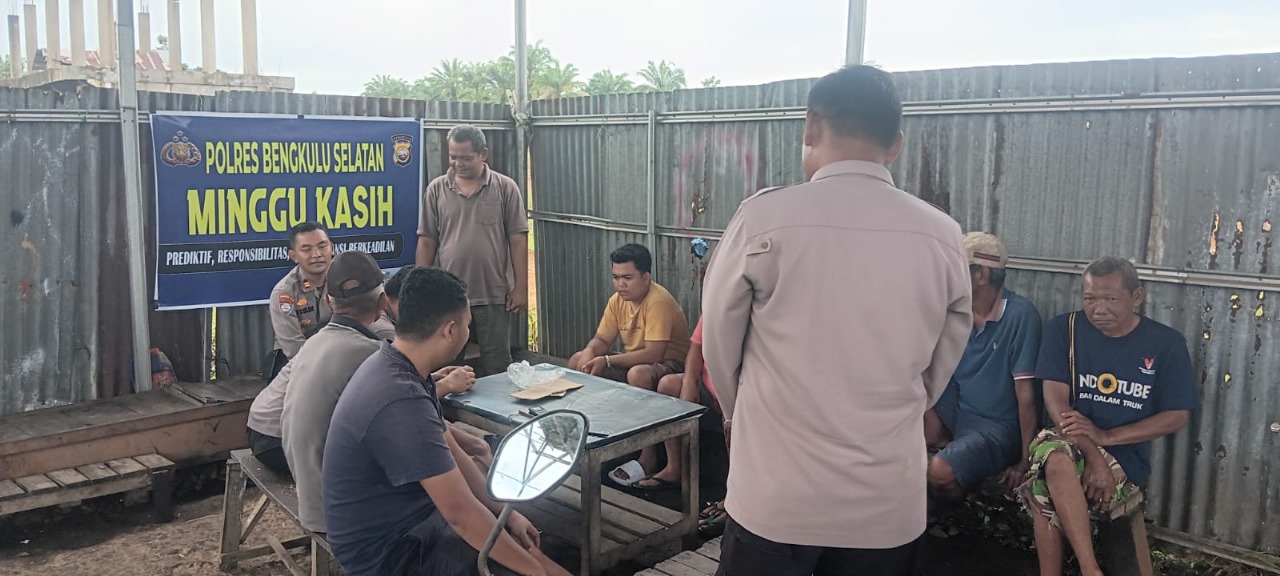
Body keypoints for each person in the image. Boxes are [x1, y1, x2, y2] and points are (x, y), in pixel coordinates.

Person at [701, 64, 972, 576]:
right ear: (895, 145)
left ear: (810, 126)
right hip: (886, 506)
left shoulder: (763, 219)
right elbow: (943, 359)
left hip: (776, 498)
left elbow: (719, 342)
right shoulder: (942, 235)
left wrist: (742, 415)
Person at [323, 267, 569, 576]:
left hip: (413, 521)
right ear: (450, 331)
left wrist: (509, 515)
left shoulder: (402, 367)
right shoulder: (401, 400)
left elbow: (456, 457)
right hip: (387, 553)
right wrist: (534, 572)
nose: (468, 332)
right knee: (524, 565)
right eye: (468, 324)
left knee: (525, 548)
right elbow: (461, 515)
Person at [1017, 257, 1198, 576]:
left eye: (1111, 299)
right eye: (1090, 299)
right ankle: (1090, 569)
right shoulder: (1065, 330)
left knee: (1045, 480)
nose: (1098, 309)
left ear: (1137, 296)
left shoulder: (1165, 343)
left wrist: (1107, 438)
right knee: (1055, 457)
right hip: (1067, 438)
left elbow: (1176, 416)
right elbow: (1055, 401)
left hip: (1125, 456)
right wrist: (1093, 454)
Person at [280, 251, 477, 534]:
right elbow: (411, 410)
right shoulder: (374, 356)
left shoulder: (316, 342)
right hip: (344, 516)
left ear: (328, 302)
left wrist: (431, 380)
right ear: (384, 302)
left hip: (311, 494)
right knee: (465, 478)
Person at [924, 232, 1043, 502]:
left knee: (940, 471)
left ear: (982, 275)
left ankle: (950, 505)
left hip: (997, 426)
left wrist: (1026, 461)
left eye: (956, 269)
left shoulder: (1020, 315)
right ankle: (940, 435)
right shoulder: (955, 311)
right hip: (959, 411)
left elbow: (1026, 397)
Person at [566, 244, 691, 487]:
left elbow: (654, 353)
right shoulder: (617, 301)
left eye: (627, 278)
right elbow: (602, 339)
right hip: (634, 360)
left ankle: (649, 456)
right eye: (615, 277)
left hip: (670, 365)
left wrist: (607, 360)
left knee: (638, 374)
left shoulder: (658, 301)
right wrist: (590, 352)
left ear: (646, 277)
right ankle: (589, 444)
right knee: (577, 360)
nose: (620, 284)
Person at [416, 125, 529, 376]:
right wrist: (420, 285)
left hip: (493, 293)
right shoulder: (436, 189)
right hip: (449, 297)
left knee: (498, 366)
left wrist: (521, 287)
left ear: (483, 154)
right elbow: (427, 240)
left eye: (465, 158)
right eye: (453, 156)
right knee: (447, 366)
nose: (458, 163)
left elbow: (518, 238)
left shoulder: (505, 187)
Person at [263, 222, 336, 382]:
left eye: (322, 246)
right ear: (294, 256)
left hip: (339, 355)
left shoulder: (345, 279)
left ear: (331, 247)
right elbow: (294, 348)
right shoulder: (284, 293)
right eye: (306, 249)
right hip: (297, 364)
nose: (316, 254)